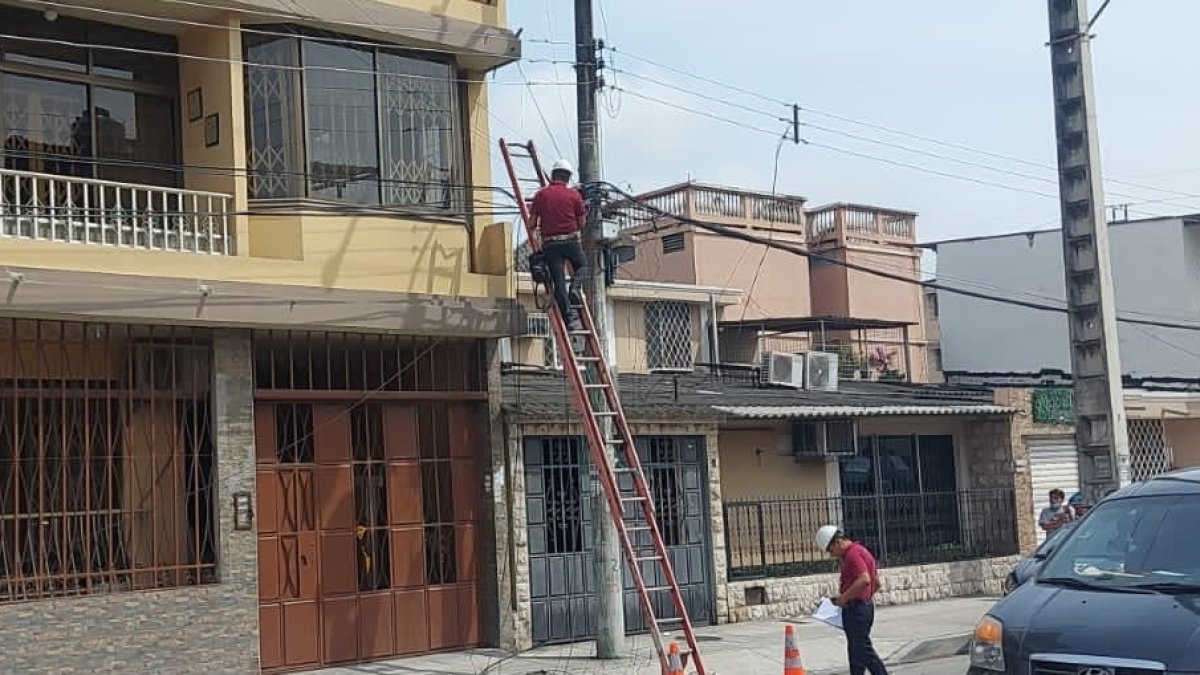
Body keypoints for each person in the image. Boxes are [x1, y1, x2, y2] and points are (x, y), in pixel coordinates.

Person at [816, 525, 888, 675]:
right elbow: (876, 583)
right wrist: (865, 599)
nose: (832, 555)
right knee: (857, 654)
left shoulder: (852, 554)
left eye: (830, 550)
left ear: (837, 542)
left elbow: (864, 579)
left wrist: (844, 598)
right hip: (864, 607)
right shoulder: (862, 551)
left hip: (856, 610)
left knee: (863, 652)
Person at [529, 159, 588, 331]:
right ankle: (575, 289)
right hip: (570, 241)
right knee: (582, 265)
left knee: (558, 282)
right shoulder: (575, 196)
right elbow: (582, 223)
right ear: (568, 177)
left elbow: (531, 223)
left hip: (550, 244)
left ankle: (569, 320)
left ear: (553, 175)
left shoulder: (541, 195)